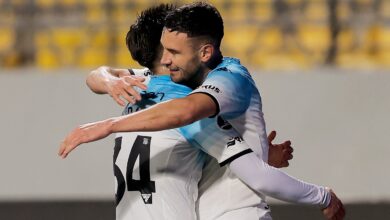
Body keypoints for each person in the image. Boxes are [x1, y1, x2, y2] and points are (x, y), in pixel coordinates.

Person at [59, 2, 345, 220]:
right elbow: (188, 118)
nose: (170, 58)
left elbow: (185, 116)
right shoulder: (179, 104)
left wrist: (109, 99)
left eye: (175, 51)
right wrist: (322, 196)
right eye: (167, 51)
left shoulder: (145, 89)